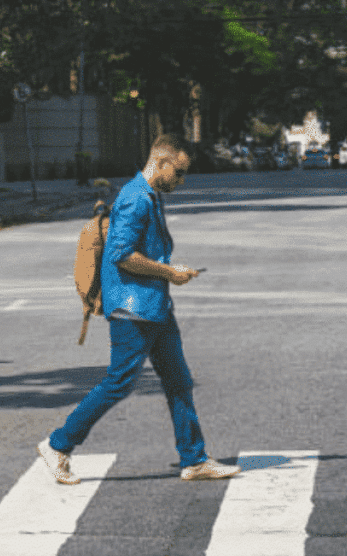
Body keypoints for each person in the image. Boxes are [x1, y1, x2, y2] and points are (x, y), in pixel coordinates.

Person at [37, 134, 240, 484]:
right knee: (119, 382)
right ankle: (58, 445)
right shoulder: (136, 199)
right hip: (134, 308)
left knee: (179, 382)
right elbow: (122, 255)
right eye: (178, 172)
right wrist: (169, 272)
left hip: (154, 306)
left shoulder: (148, 196)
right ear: (161, 163)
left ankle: (194, 459)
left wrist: (169, 273)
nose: (181, 180)